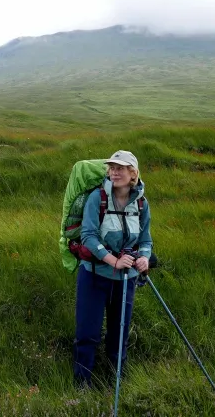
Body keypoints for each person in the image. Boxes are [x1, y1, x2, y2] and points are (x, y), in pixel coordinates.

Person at [73, 150, 153, 387]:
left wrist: (144, 259)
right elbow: (87, 235)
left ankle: (117, 379)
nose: (115, 172)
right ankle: (82, 384)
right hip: (94, 275)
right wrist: (113, 260)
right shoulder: (97, 198)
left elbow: (146, 241)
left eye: (121, 168)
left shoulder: (141, 203)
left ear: (133, 174)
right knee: (88, 333)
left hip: (126, 279)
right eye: (112, 168)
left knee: (119, 334)